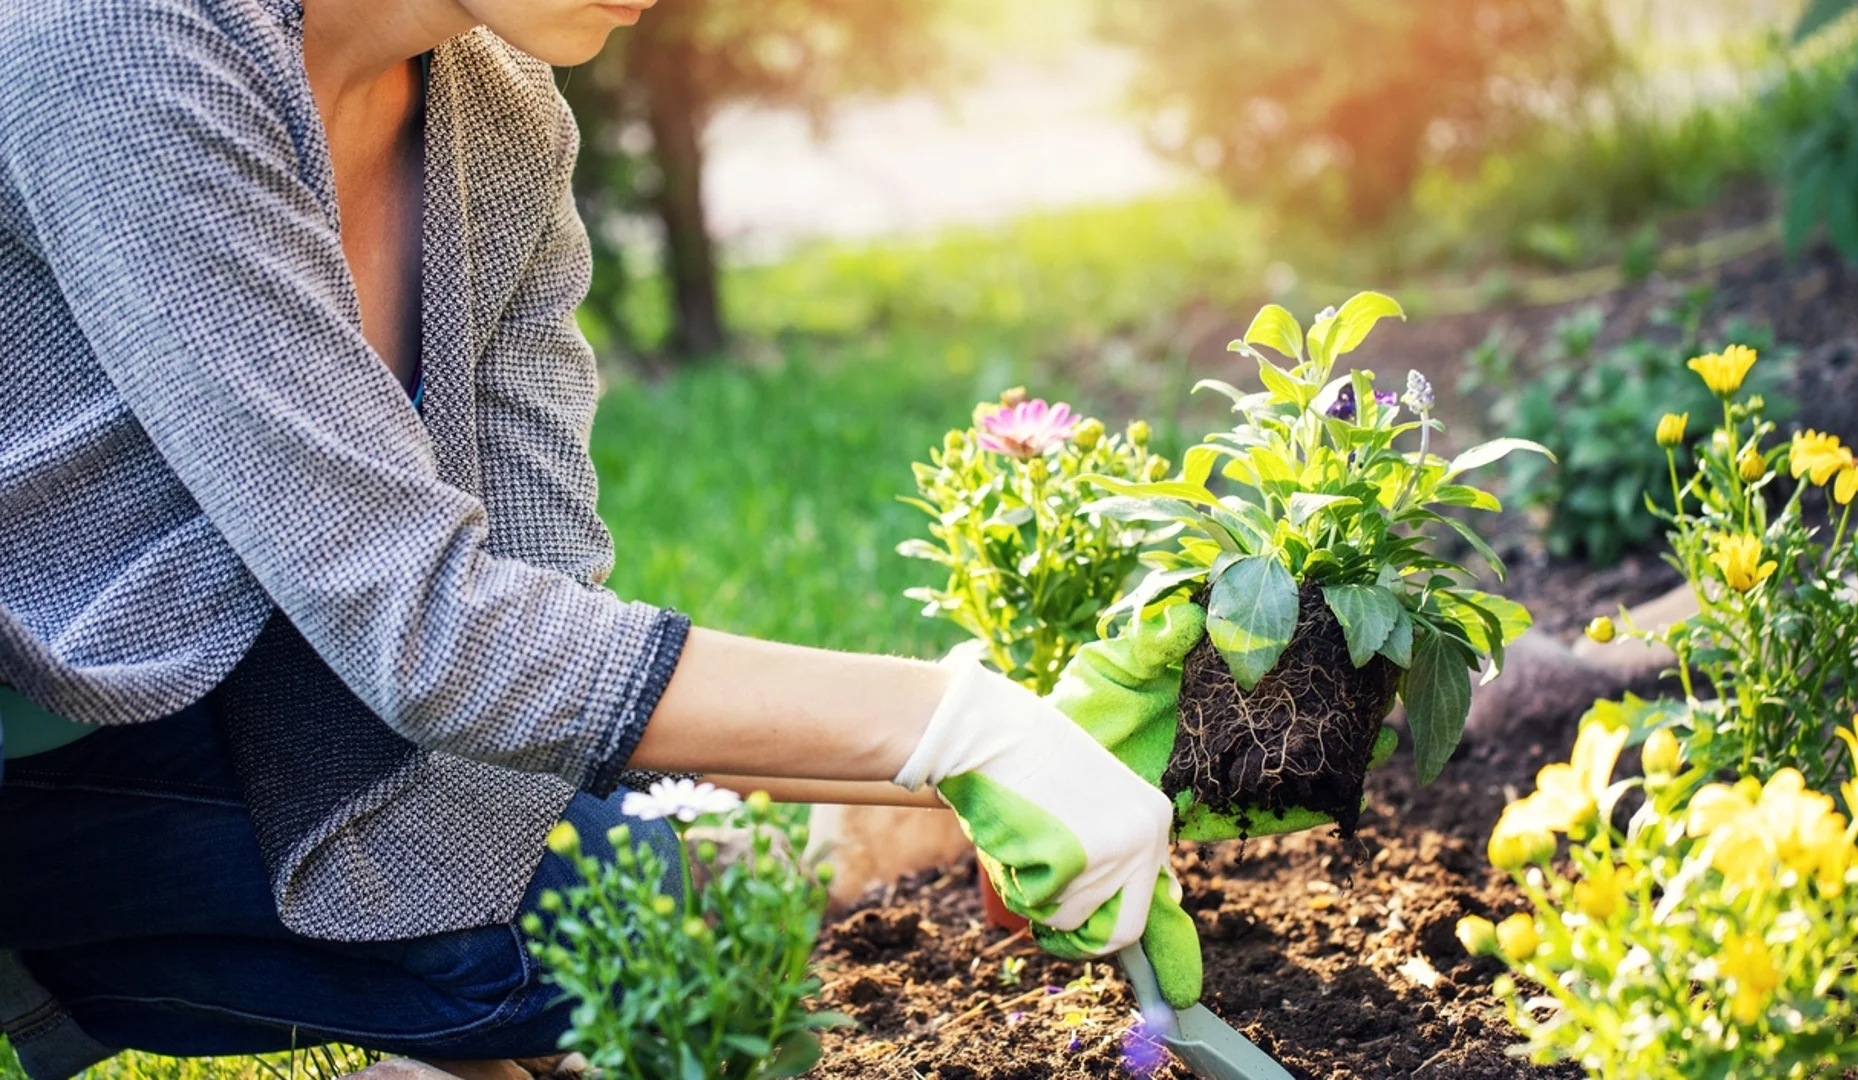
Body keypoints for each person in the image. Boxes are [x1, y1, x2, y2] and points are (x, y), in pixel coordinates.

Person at [0, 1, 1181, 1076]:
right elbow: (431, 633)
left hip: (237, 699)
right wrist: (942, 722)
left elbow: (537, 624)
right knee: (563, 940)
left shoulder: (502, 117)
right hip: (42, 724)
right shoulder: (112, 39)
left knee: (638, 912)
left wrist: (1000, 764)